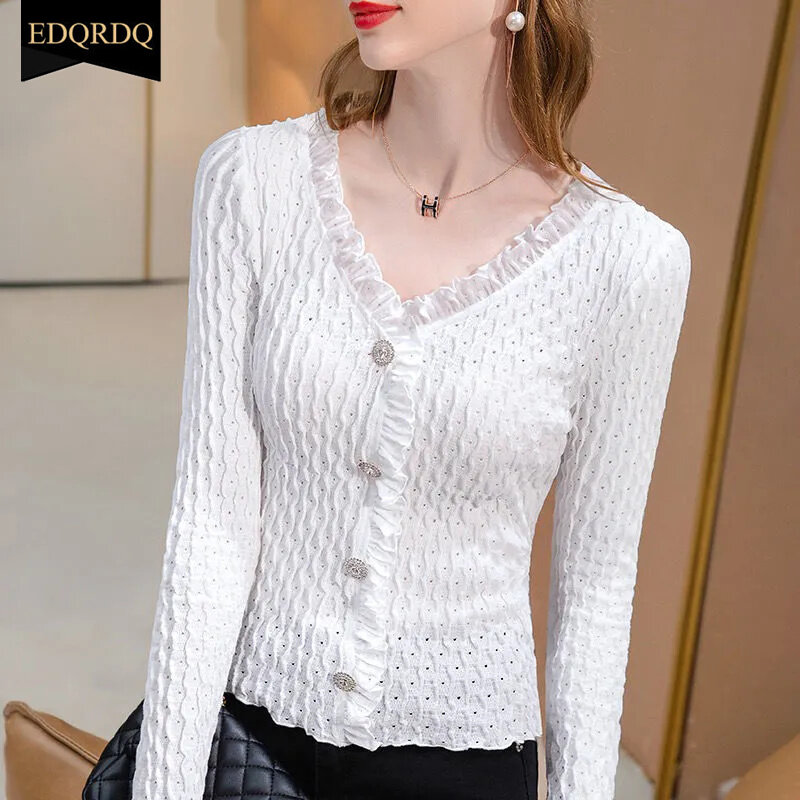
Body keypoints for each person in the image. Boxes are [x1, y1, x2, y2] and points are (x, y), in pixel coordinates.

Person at [130, 1, 691, 798]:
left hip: (463, 765)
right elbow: (211, 523)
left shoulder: (629, 262)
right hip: (250, 746)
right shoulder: (252, 182)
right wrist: (164, 784)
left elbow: (595, 582)